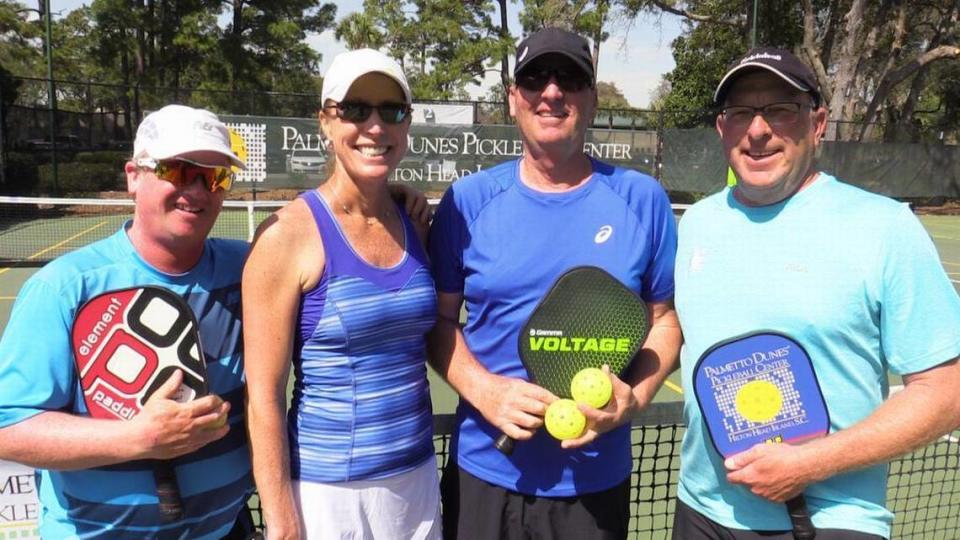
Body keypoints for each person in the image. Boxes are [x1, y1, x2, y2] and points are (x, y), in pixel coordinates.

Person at [672, 47, 960, 539]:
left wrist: (809, 462)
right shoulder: (697, 223)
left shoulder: (884, 227)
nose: (758, 130)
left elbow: (947, 389)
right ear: (723, 129)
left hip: (829, 523)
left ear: (817, 123)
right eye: (741, 112)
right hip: (701, 512)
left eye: (780, 110)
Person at [428, 28, 682, 539]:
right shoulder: (467, 201)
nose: (551, 91)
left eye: (569, 77)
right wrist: (487, 391)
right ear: (512, 96)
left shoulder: (643, 199)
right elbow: (437, 322)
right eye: (534, 77)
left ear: (590, 98)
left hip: (594, 484)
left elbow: (664, 319)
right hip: (484, 474)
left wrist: (634, 396)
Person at [0, 104, 255, 538]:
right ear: (133, 175)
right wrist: (138, 438)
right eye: (178, 170)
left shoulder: (249, 270)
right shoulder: (65, 287)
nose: (196, 188)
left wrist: (396, 199)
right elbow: (9, 428)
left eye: (214, 176)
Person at [242, 48, 440, 540]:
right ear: (326, 123)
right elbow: (263, 396)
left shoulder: (415, 222)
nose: (374, 126)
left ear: (406, 125)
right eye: (354, 110)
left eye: (390, 111)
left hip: (417, 481)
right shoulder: (285, 236)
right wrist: (282, 520)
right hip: (330, 497)